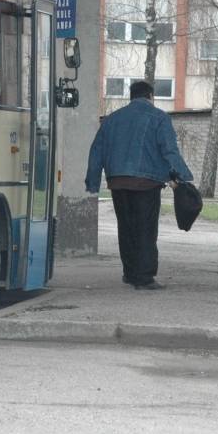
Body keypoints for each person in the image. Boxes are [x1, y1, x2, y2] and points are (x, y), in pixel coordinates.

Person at [85, 80, 193, 290]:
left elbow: (96, 151)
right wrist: (183, 176)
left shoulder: (112, 119)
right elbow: (169, 149)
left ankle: (129, 273)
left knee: (125, 228)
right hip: (146, 183)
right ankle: (144, 278)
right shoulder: (159, 118)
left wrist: (92, 181)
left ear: (131, 97)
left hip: (118, 182)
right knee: (145, 229)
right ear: (150, 96)